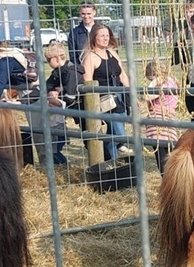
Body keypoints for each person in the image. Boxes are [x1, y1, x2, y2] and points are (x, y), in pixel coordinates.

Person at [81, 22, 131, 162]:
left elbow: (122, 75)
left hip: (119, 96)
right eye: (102, 35)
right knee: (119, 132)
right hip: (104, 100)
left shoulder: (112, 53)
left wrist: (131, 94)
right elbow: (87, 82)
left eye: (107, 35)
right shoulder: (90, 58)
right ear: (94, 37)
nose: (105, 38)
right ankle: (111, 159)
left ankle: (111, 160)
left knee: (114, 131)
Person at [39, 41, 83, 165]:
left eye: (49, 60)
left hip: (82, 109)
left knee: (90, 138)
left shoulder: (71, 72)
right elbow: (47, 86)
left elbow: (70, 98)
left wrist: (55, 97)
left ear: (56, 58)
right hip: (72, 111)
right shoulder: (58, 72)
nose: (48, 63)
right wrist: (53, 91)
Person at [141, 60, 180, 173]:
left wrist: (154, 82)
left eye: (150, 79)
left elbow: (146, 96)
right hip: (170, 120)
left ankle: (166, 177)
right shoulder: (173, 81)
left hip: (156, 121)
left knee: (161, 156)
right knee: (170, 153)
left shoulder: (160, 83)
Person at [0, 32, 35, 102]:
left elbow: (1, 80)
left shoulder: (4, 59)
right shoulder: (1, 55)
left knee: (31, 107)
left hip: (31, 87)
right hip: (23, 86)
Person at [69, 2, 101, 67]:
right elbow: (73, 57)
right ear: (80, 13)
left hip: (101, 68)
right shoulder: (74, 33)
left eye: (89, 13)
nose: (86, 16)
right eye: (83, 14)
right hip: (82, 69)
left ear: (94, 13)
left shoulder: (102, 30)